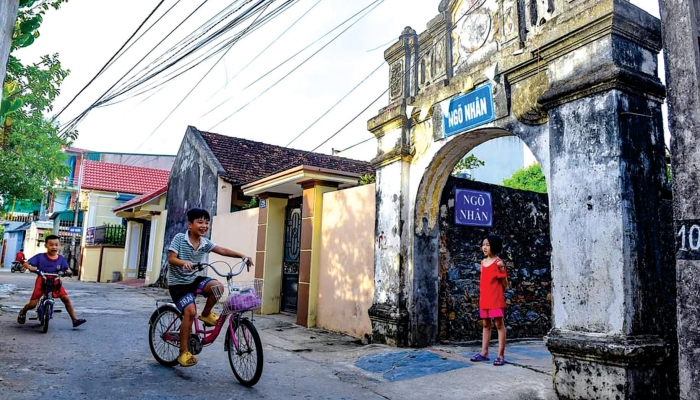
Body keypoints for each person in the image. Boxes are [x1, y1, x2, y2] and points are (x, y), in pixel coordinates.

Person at [168, 207, 253, 367]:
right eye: (200, 222)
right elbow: (171, 258)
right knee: (190, 312)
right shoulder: (180, 238)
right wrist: (183, 262)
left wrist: (242, 255)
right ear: (189, 225)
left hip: (194, 279)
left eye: (207, 223)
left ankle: (206, 314)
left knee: (218, 287)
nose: (204, 226)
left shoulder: (204, 243)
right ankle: (183, 352)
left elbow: (221, 250)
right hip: (178, 284)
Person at [17, 235, 86, 328]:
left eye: (56, 245)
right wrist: (30, 267)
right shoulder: (40, 257)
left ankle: (74, 320)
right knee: (32, 304)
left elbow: (68, 269)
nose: (54, 247)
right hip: (42, 281)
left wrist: (68, 272)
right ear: (46, 245)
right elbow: (26, 263)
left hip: (55, 281)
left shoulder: (61, 259)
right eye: (51, 245)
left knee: (66, 299)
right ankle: (23, 311)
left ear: (59, 246)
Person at [470, 233, 508, 366]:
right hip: (484, 299)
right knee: (486, 325)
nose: (484, 247)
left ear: (494, 246)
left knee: (499, 325)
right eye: (483, 245)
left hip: (495, 299)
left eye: (487, 245)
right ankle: (484, 353)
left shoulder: (499, 263)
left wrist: (498, 293)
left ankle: (500, 355)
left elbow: (505, 283)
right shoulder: (483, 262)